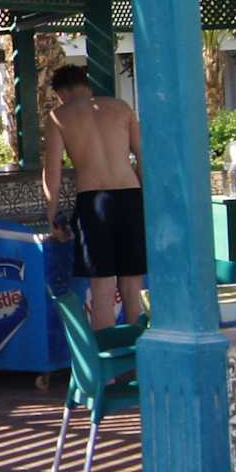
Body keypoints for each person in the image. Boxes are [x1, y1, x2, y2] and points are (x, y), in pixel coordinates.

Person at [41, 63, 146, 327]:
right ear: (86, 86)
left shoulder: (58, 116)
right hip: (131, 195)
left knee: (102, 287)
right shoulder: (121, 107)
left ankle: (107, 349)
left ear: (61, 93)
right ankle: (137, 347)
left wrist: (51, 213)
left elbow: (52, 170)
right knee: (132, 283)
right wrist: (147, 200)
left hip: (94, 200)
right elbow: (143, 157)